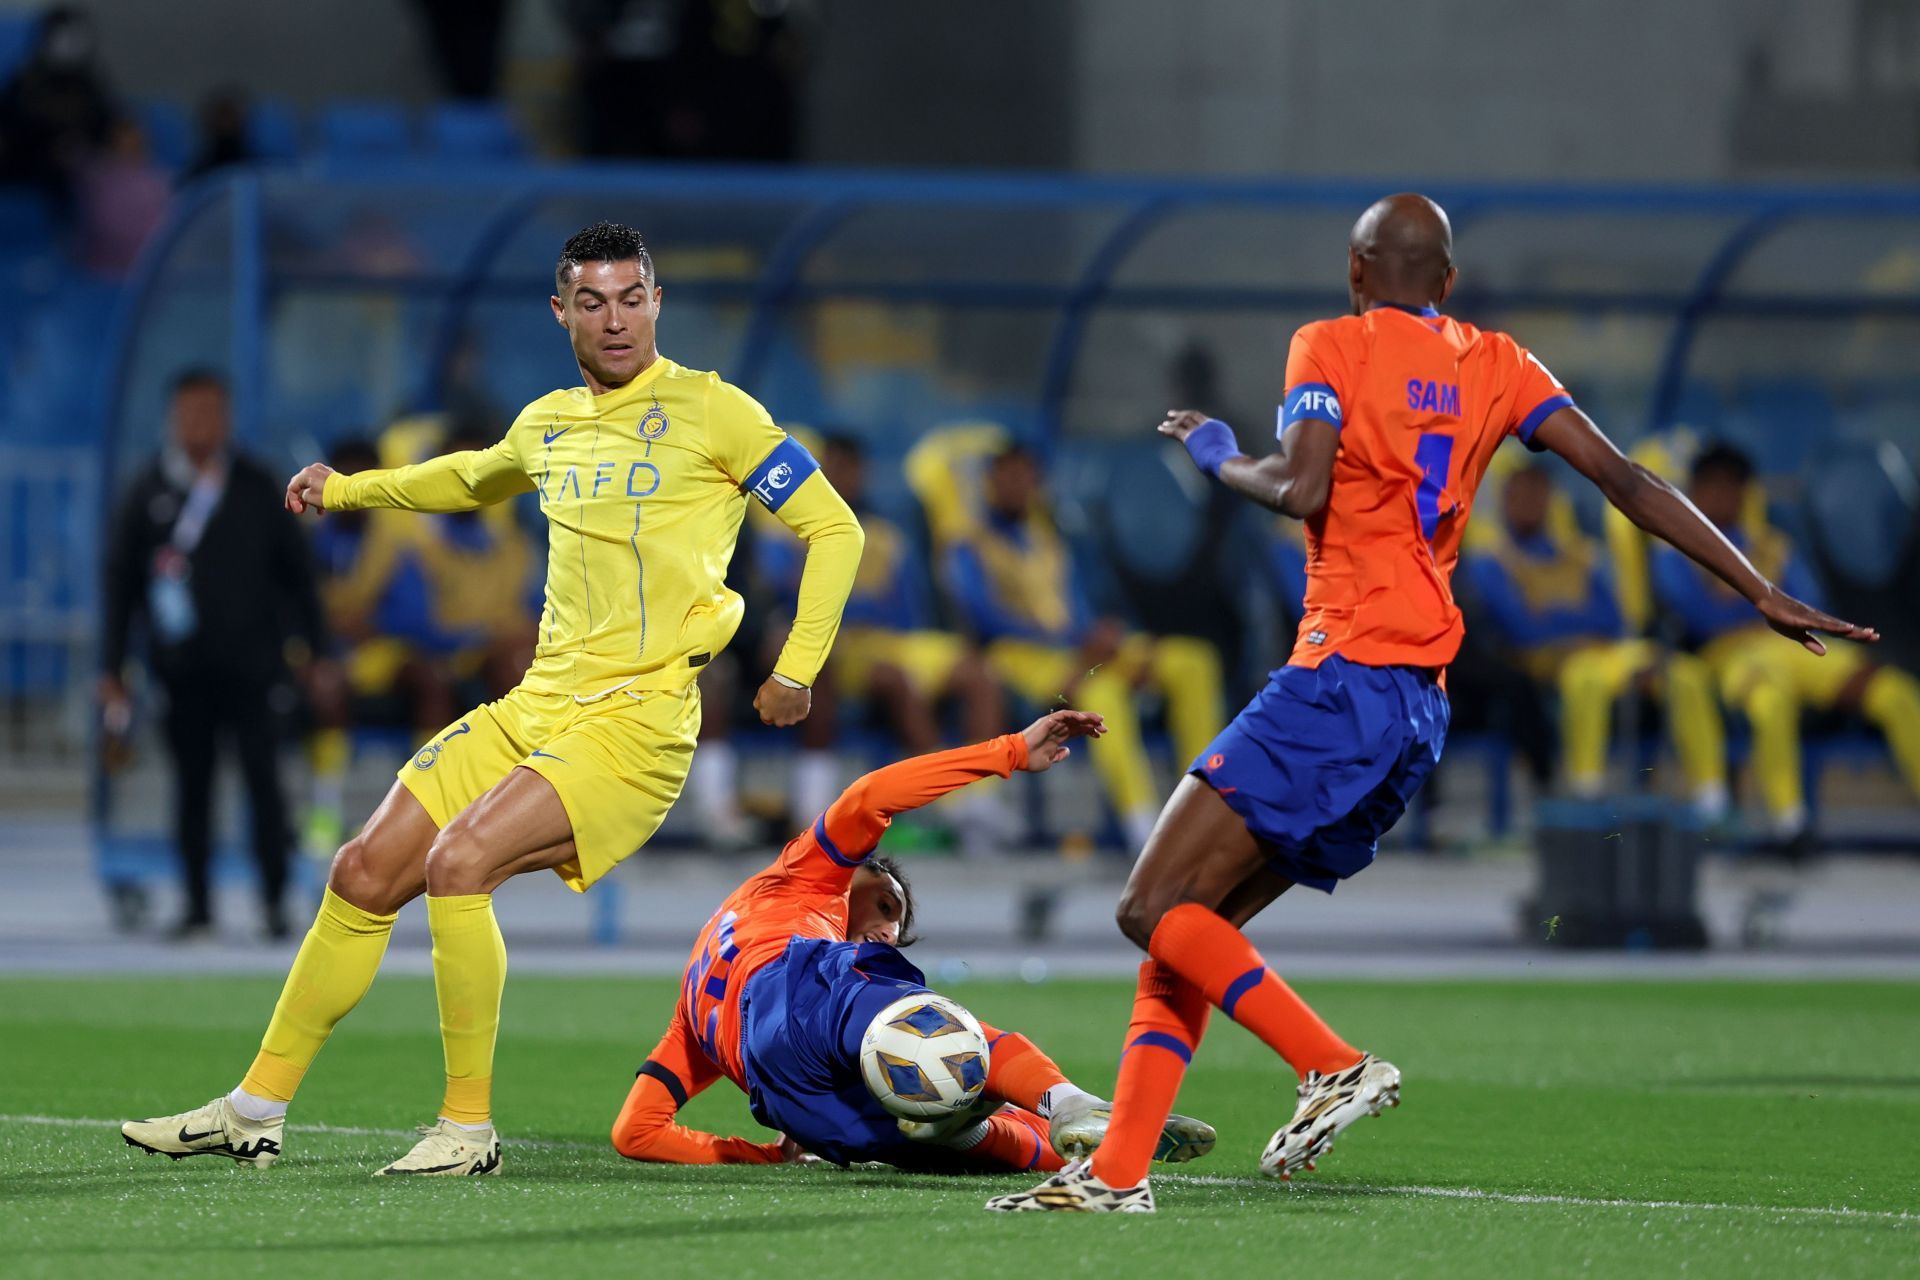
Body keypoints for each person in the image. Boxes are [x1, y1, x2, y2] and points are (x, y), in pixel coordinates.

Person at [990, 193, 1876, 1214]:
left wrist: (1211, 451)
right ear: (1447, 282)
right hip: (1413, 708)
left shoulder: (1326, 340)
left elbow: (1300, 488)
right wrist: (1754, 583)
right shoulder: (1497, 362)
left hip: (1339, 676)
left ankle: (1331, 1063)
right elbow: (1627, 479)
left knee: (1146, 906)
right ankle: (1118, 1173)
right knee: (1192, 929)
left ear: (1357, 272)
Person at [121, 221, 864, 1177]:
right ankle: (254, 1108)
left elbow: (835, 530)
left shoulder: (718, 413)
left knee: (458, 861)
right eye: (592, 302)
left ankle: (466, 1129)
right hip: (536, 705)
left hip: (636, 724)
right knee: (361, 870)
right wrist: (348, 492)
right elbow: (473, 478)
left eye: (632, 297)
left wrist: (796, 666)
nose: (616, 319)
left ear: (657, 302)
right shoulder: (548, 421)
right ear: (561, 313)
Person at [612, 709, 1213, 1171]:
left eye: (896, 921)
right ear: (851, 874)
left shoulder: (694, 1009)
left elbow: (636, 1131)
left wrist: (770, 1156)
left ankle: (1090, 1144)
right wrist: (1007, 751)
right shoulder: (806, 881)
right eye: (882, 902)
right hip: (791, 991)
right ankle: (1070, 1103)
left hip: (805, 1109)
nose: (887, 929)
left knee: (963, 1145)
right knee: (950, 1039)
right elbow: (872, 795)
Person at [100, 368, 328, 941]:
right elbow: (121, 586)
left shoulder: (257, 484)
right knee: (192, 789)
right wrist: (111, 669)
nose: (201, 423)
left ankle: (274, 903)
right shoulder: (147, 490)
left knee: (264, 786)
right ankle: (198, 906)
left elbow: (299, 578)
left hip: (256, 668)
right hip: (181, 670)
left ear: (226, 417)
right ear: (173, 418)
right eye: (190, 412)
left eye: (211, 411)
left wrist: (318, 652)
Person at [946, 443, 1225, 851]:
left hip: (1089, 649)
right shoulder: (968, 544)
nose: (1018, 486)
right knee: (1101, 694)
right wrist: (1079, 642)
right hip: (1023, 658)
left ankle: (1203, 805)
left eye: (1026, 477)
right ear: (990, 482)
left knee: (1194, 662)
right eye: (1007, 477)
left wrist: (1106, 632)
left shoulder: (1054, 538)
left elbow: (1086, 605)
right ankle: (1143, 826)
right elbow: (983, 617)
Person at [1653, 443, 1920, 843]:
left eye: (1734, 487)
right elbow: (1696, 615)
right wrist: (1758, 613)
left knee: (1894, 691)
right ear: (1694, 491)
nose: (1724, 496)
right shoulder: (1677, 551)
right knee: (1770, 703)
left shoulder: (1774, 547)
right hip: (1732, 655)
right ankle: (1789, 824)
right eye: (1714, 486)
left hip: (1798, 649)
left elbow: (1811, 605)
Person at [756, 434, 1013, 848]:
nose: (843, 478)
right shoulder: (790, 531)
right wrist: (864, 605)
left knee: (979, 673)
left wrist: (855, 604)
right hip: (839, 646)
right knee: (898, 679)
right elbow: (786, 596)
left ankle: (981, 800)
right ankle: (954, 804)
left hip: (894, 641)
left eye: (851, 469)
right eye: (832, 469)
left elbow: (905, 612)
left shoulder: (887, 535)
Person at [1461, 462, 1724, 810]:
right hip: (1547, 666)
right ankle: (1587, 791)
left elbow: (1612, 618)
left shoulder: (1581, 555)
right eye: (1520, 494)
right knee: (1586, 681)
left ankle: (1711, 796)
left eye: (1538, 493)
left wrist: (1554, 617)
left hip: (1609, 654)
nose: (1530, 502)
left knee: (1685, 674)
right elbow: (1523, 630)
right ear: (1505, 500)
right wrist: (1576, 620)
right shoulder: (1490, 563)